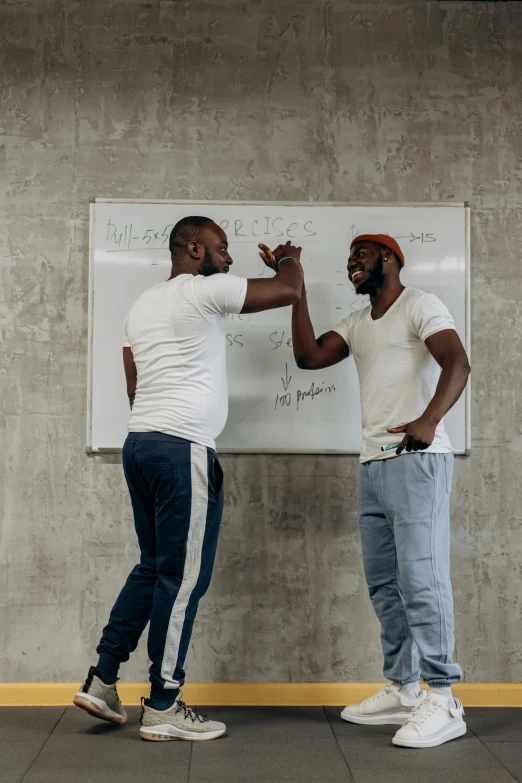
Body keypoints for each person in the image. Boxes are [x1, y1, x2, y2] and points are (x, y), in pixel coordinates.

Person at [74, 218, 303, 742]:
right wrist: (288, 257)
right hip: (182, 451)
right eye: (222, 249)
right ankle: (163, 704)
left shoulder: (141, 306)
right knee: (184, 580)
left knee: (154, 567)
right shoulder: (204, 291)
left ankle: (103, 680)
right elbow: (290, 289)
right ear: (194, 248)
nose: (228, 259)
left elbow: (136, 388)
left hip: (142, 444)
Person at [285, 233, 470, 749]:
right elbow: (308, 357)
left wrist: (429, 420)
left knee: (422, 579)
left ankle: (444, 695)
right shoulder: (357, 324)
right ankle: (406, 688)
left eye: (360, 256)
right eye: (348, 259)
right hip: (373, 466)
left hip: (417, 461)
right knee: (385, 586)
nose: (352, 265)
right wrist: (294, 285)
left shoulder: (420, 304)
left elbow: (458, 362)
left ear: (388, 258)